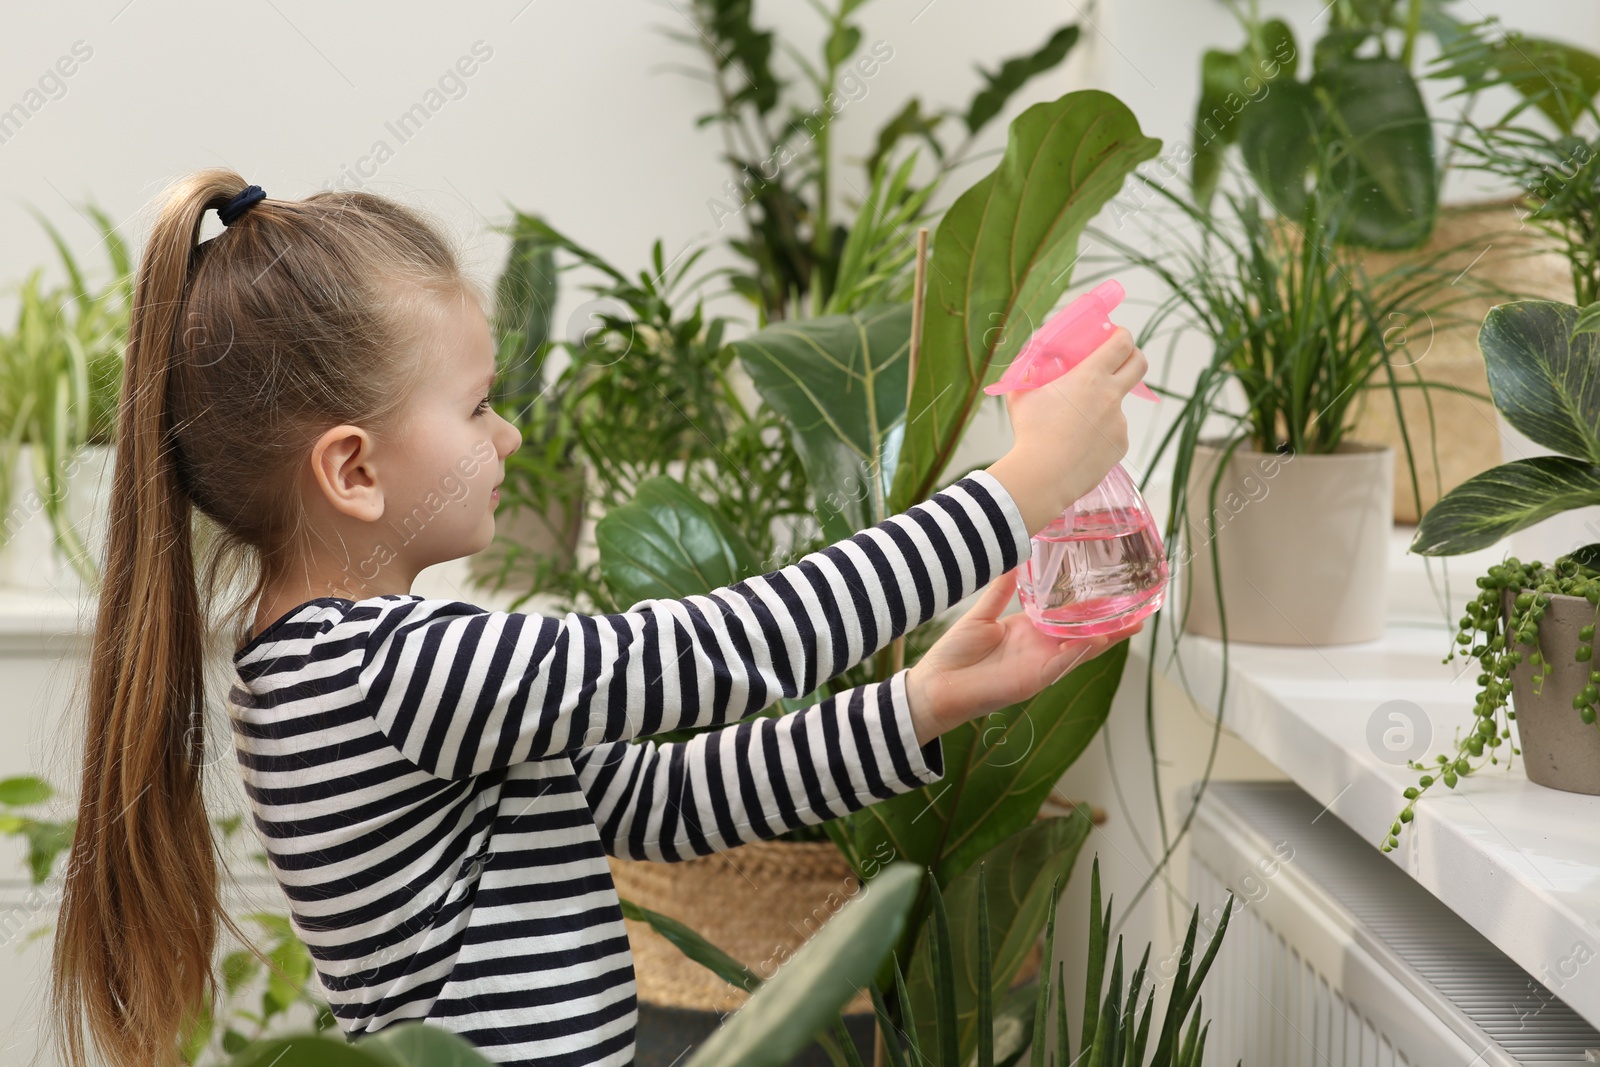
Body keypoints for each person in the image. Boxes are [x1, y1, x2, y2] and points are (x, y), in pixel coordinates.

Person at [48, 169, 1149, 1067]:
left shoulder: (345, 671)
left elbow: (659, 800)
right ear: (354, 469)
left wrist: (919, 701)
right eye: (478, 405)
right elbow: (700, 654)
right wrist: (1018, 493)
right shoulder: (383, 671)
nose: (511, 436)